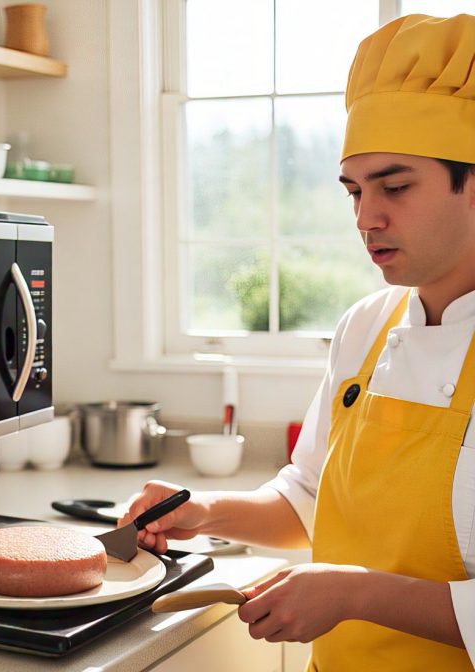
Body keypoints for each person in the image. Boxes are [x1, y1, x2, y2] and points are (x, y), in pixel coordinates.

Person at [118, 14, 475, 671]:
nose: (367, 217)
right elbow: (308, 500)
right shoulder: (367, 326)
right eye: (354, 191)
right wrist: (206, 510)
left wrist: (354, 593)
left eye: (395, 186)